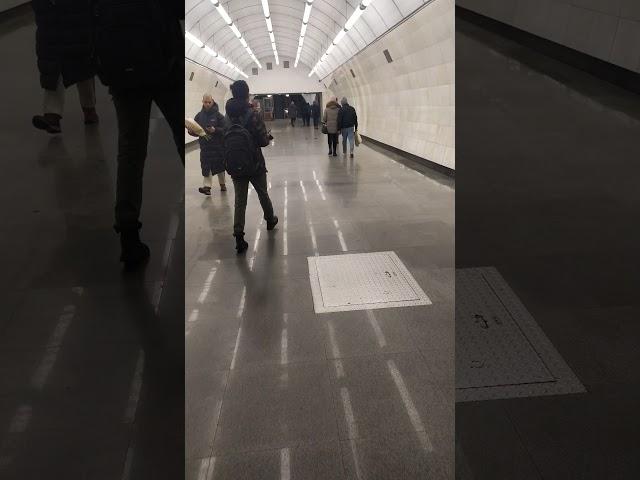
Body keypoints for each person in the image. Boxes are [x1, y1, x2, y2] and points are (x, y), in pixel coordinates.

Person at [92, 0, 185, 268]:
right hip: (164, 66)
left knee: (130, 153)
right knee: (183, 138)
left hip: (122, 73)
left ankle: (129, 233)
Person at [225, 80, 278, 254]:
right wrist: (267, 138)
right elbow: (262, 141)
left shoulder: (228, 115)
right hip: (254, 163)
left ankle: (239, 236)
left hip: (235, 164)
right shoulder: (252, 114)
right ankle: (270, 220)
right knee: (263, 193)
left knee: (240, 201)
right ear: (247, 93)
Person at [31, 0, 99, 134]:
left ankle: (89, 109)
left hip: (77, 29)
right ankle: (52, 116)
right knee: (55, 74)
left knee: (84, 73)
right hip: (53, 32)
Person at [187, 94, 227, 195]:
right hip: (205, 147)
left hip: (217, 147)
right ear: (202, 102)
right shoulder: (199, 116)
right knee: (206, 166)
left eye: (209, 102)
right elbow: (196, 131)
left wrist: (215, 130)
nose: (207, 104)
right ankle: (207, 187)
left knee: (220, 167)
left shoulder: (219, 116)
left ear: (212, 101)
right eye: (205, 102)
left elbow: (225, 130)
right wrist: (191, 131)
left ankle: (222, 184)